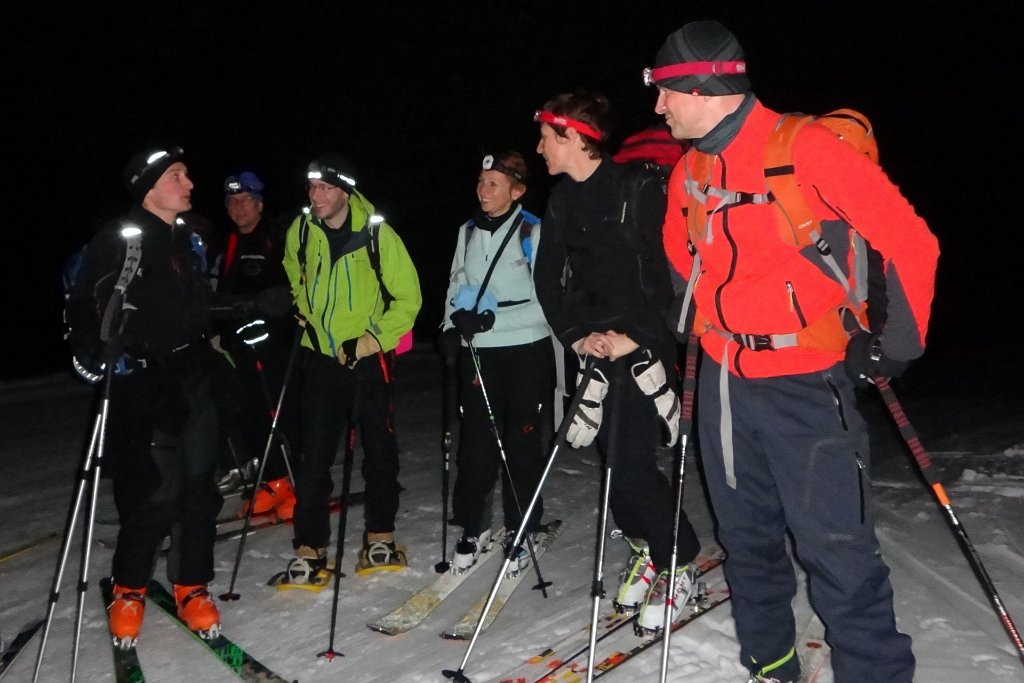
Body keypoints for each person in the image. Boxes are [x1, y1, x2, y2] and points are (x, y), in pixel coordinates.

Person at [649, 20, 939, 683]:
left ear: (703, 87)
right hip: (723, 380)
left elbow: (909, 240)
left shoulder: (805, 147)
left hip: (806, 381)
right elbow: (677, 246)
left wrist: (895, 344)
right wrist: (691, 306)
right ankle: (771, 665)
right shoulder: (690, 168)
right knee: (745, 540)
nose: (659, 106)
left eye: (665, 91)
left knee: (838, 550)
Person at [531, 92, 702, 631]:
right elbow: (547, 278)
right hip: (595, 351)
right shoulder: (561, 199)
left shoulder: (638, 189)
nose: (539, 148)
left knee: (630, 465)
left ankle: (680, 558)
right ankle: (649, 548)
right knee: (612, 465)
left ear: (575, 137)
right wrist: (577, 337)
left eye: (546, 137)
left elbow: (674, 277)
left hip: (642, 347)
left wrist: (635, 337)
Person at [65, 147, 223, 646]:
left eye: (186, 174)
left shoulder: (189, 238)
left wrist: (246, 312)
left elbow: (200, 306)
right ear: (149, 188)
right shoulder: (121, 237)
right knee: (154, 491)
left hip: (193, 375)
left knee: (200, 488)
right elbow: (81, 304)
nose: (189, 183)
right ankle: (130, 587)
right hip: (144, 383)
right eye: (177, 176)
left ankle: (191, 585)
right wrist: (92, 349)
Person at [279, 154, 421, 581]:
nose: (316, 195)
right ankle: (310, 545)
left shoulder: (377, 234)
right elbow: (293, 270)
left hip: (368, 358)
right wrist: (302, 306)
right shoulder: (302, 229)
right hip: (320, 357)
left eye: (325, 187)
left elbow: (409, 299)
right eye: (312, 187)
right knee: (314, 453)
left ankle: (380, 535)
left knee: (379, 448)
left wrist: (371, 340)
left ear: (344, 190)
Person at [439, 152, 555, 573]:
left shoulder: (533, 231)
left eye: (493, 183)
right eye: (480, 181)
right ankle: (475, 526)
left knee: (521, 442)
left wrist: (493, 320)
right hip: (479, 350)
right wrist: (450, 325)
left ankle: (523, 526)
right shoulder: (467, 231)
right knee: (477, 443)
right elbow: (456, 282)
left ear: (517, 191)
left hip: (526, 350)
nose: (482, 191)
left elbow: (549, 304)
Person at [211, 171, 299, 518]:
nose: (238, 207)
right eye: (232, 201)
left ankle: (300, 483)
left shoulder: (274, 237)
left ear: (260, 205)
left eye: (245, 200)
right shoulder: (229, 243)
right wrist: (219, 331)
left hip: (277, 345)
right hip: (241, 347)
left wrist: (269, 323)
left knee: (285, 414)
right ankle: (275, 479)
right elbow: (222, 294)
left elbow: (288, 292)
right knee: (251, 415)